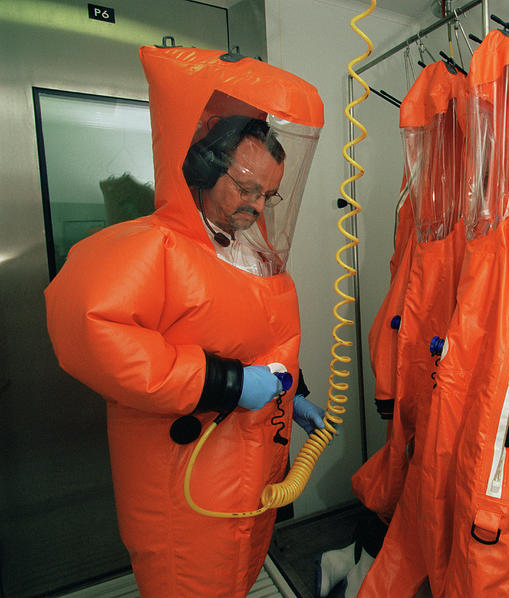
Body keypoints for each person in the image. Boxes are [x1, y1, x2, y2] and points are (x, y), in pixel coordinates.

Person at [44, 45, 325, 596]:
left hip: (247, 475)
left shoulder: (247, 248)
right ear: (201, 168)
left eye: (267, 194)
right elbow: (90, 331)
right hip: (183, 487)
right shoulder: (153, 248)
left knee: (236, 577)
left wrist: (291, 394)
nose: (257, 207)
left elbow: (257, 332)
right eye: (245, 189)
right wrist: (223, 382)